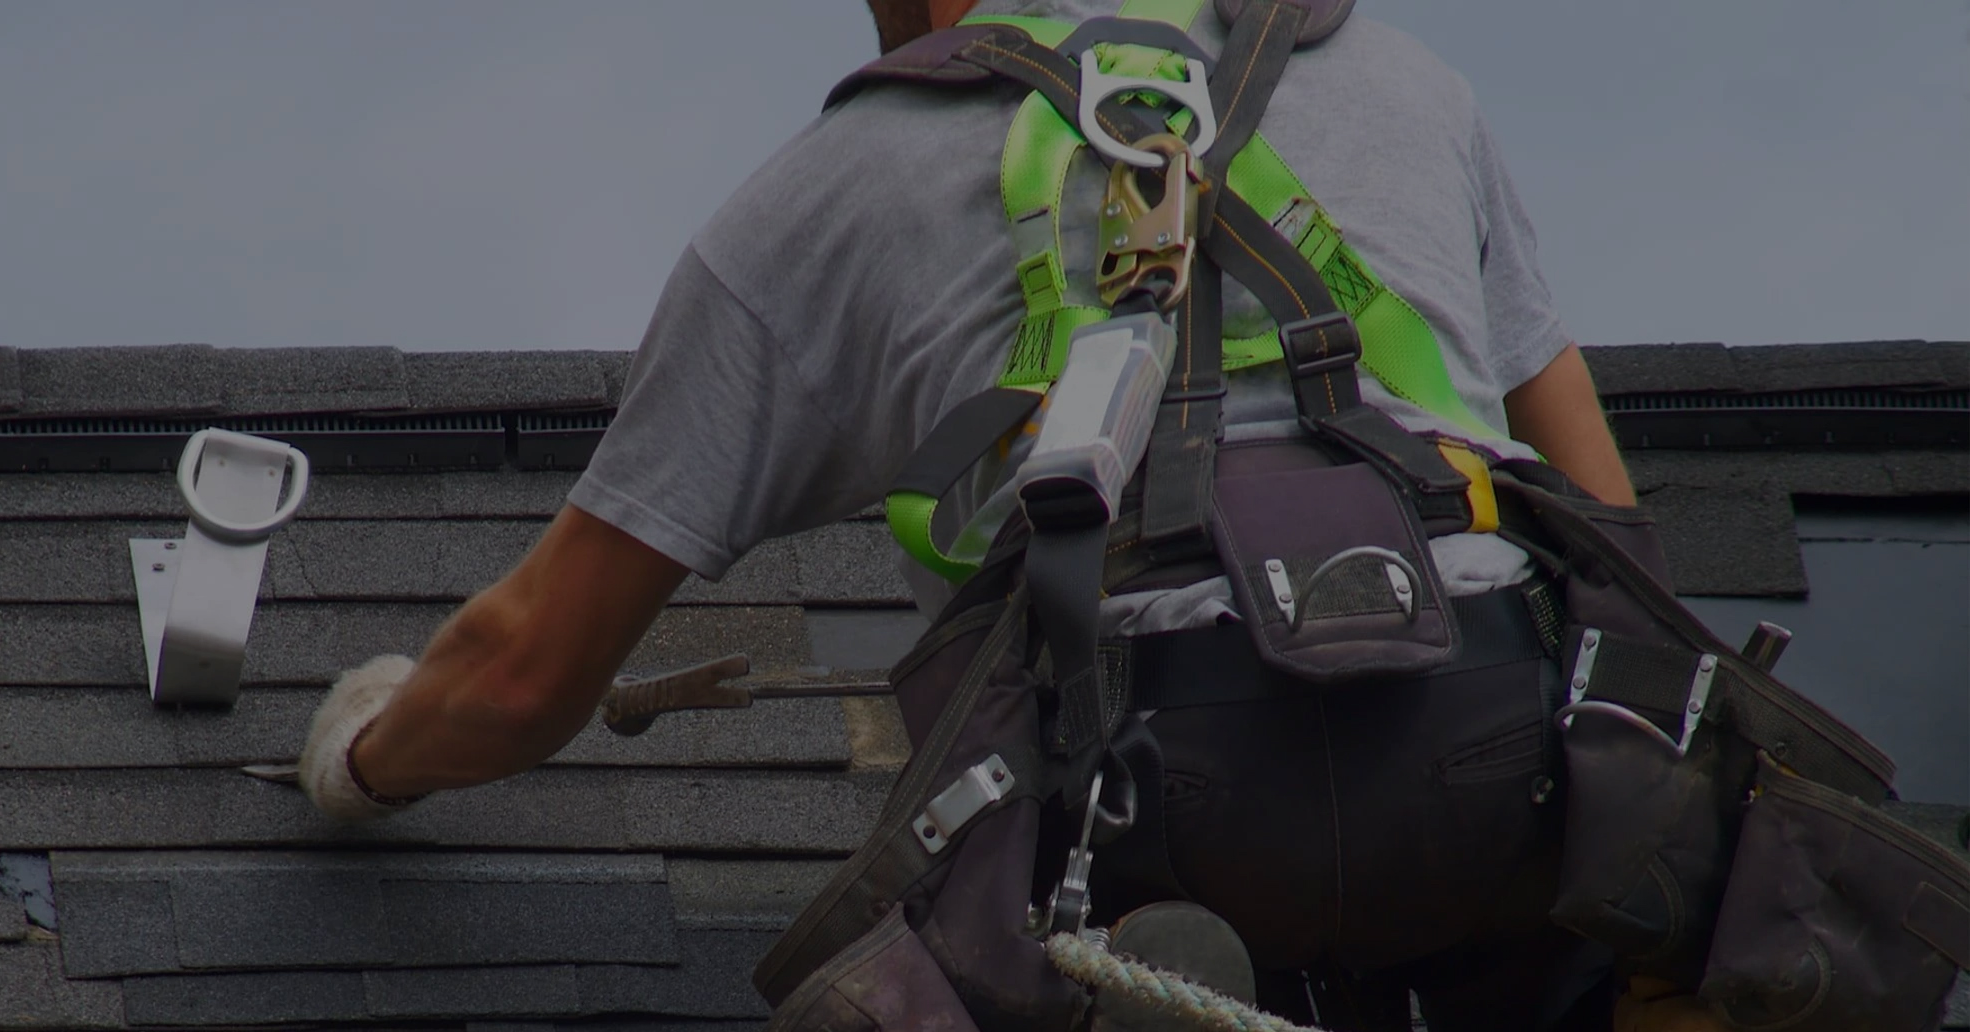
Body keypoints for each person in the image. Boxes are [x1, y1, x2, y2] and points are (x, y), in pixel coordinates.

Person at [294, 1, 1709, 1028]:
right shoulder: (1405, 80)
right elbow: (1610, 541)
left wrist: (365, 760)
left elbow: (530, 668)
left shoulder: (832, 191)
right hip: (1500, 755)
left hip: (1154, 797)